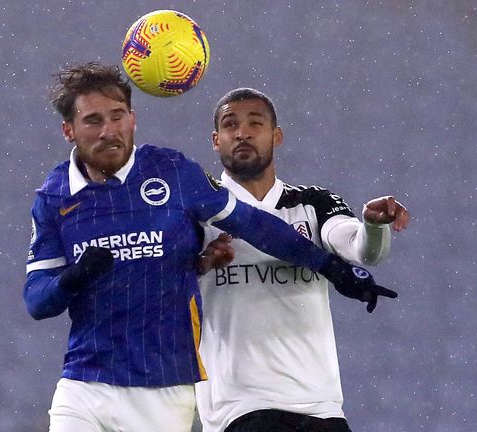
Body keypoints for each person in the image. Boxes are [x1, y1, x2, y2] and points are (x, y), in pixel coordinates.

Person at [22, 62, 397, 432]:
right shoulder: (54, 197)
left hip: (165, 390)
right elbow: (37, 301)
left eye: (117, 116)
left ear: (132, 119)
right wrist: (72, 279)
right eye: (93, 121)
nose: (108, 131)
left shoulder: (173, 173)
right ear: (69, 130)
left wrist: (330, 266)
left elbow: (254, 225)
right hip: (86, 382)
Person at [195, 87, 411, 432]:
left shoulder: (311, 203)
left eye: (255, 123)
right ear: (215, 140)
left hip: (321, 408)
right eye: (230, 124)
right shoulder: (199, 213)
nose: (243, 132)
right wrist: (202, 262)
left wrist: (373, 226)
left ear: (276, 136)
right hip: (238, 409)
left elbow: (363, 251)